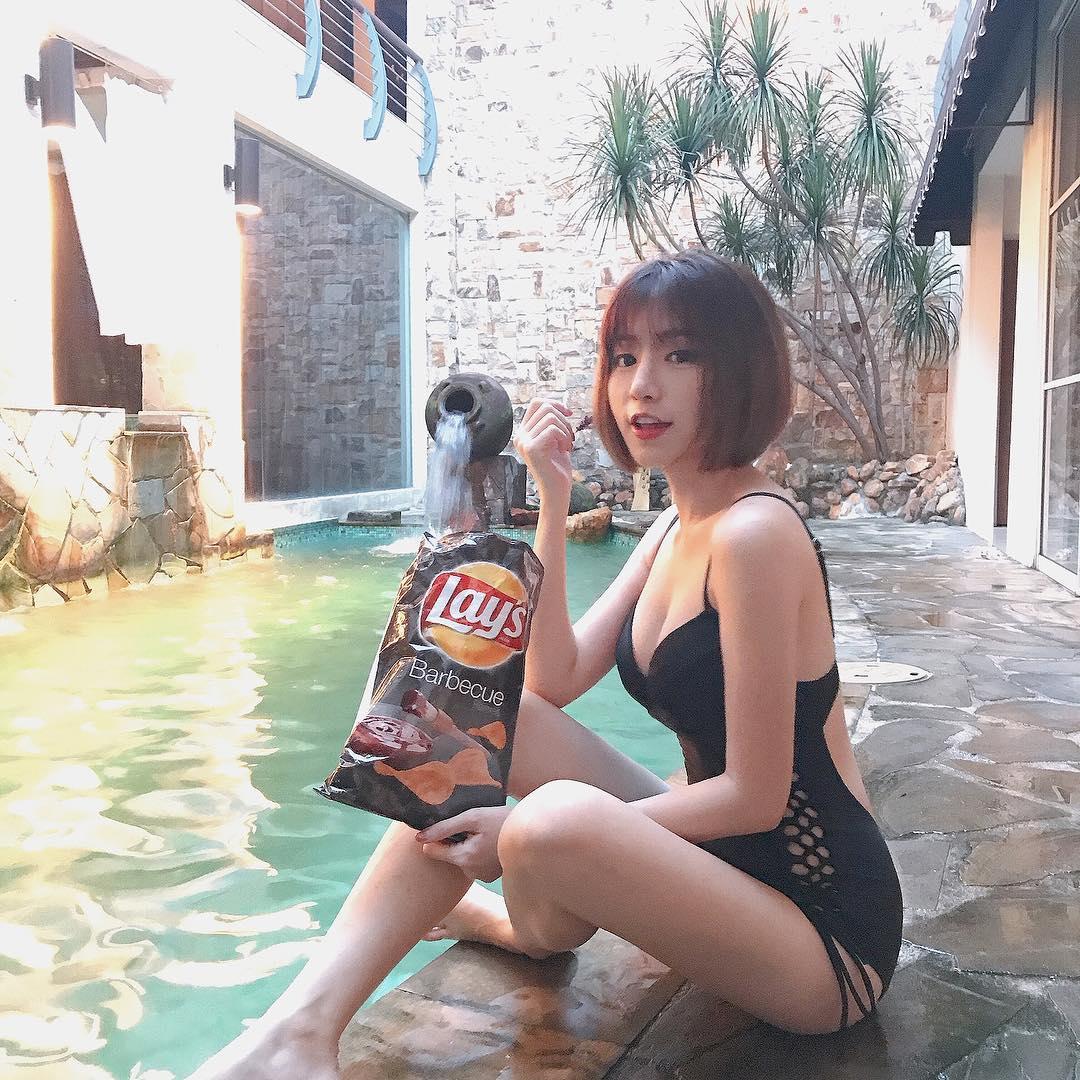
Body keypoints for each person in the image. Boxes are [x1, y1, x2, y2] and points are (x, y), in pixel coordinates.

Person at [191, 250, 903, 1079]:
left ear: (741, 370)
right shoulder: (678, 524)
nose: (642, 386)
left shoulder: (754, 535)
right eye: (625, 357)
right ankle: (299, 1034)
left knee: (551, 822)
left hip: (821, 935)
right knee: (472, 719)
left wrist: (517, 836)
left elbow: (755, 796)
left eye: (680, 354)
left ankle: (509, 922)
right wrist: (554, 497)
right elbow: (551, 682)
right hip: (723, 867)